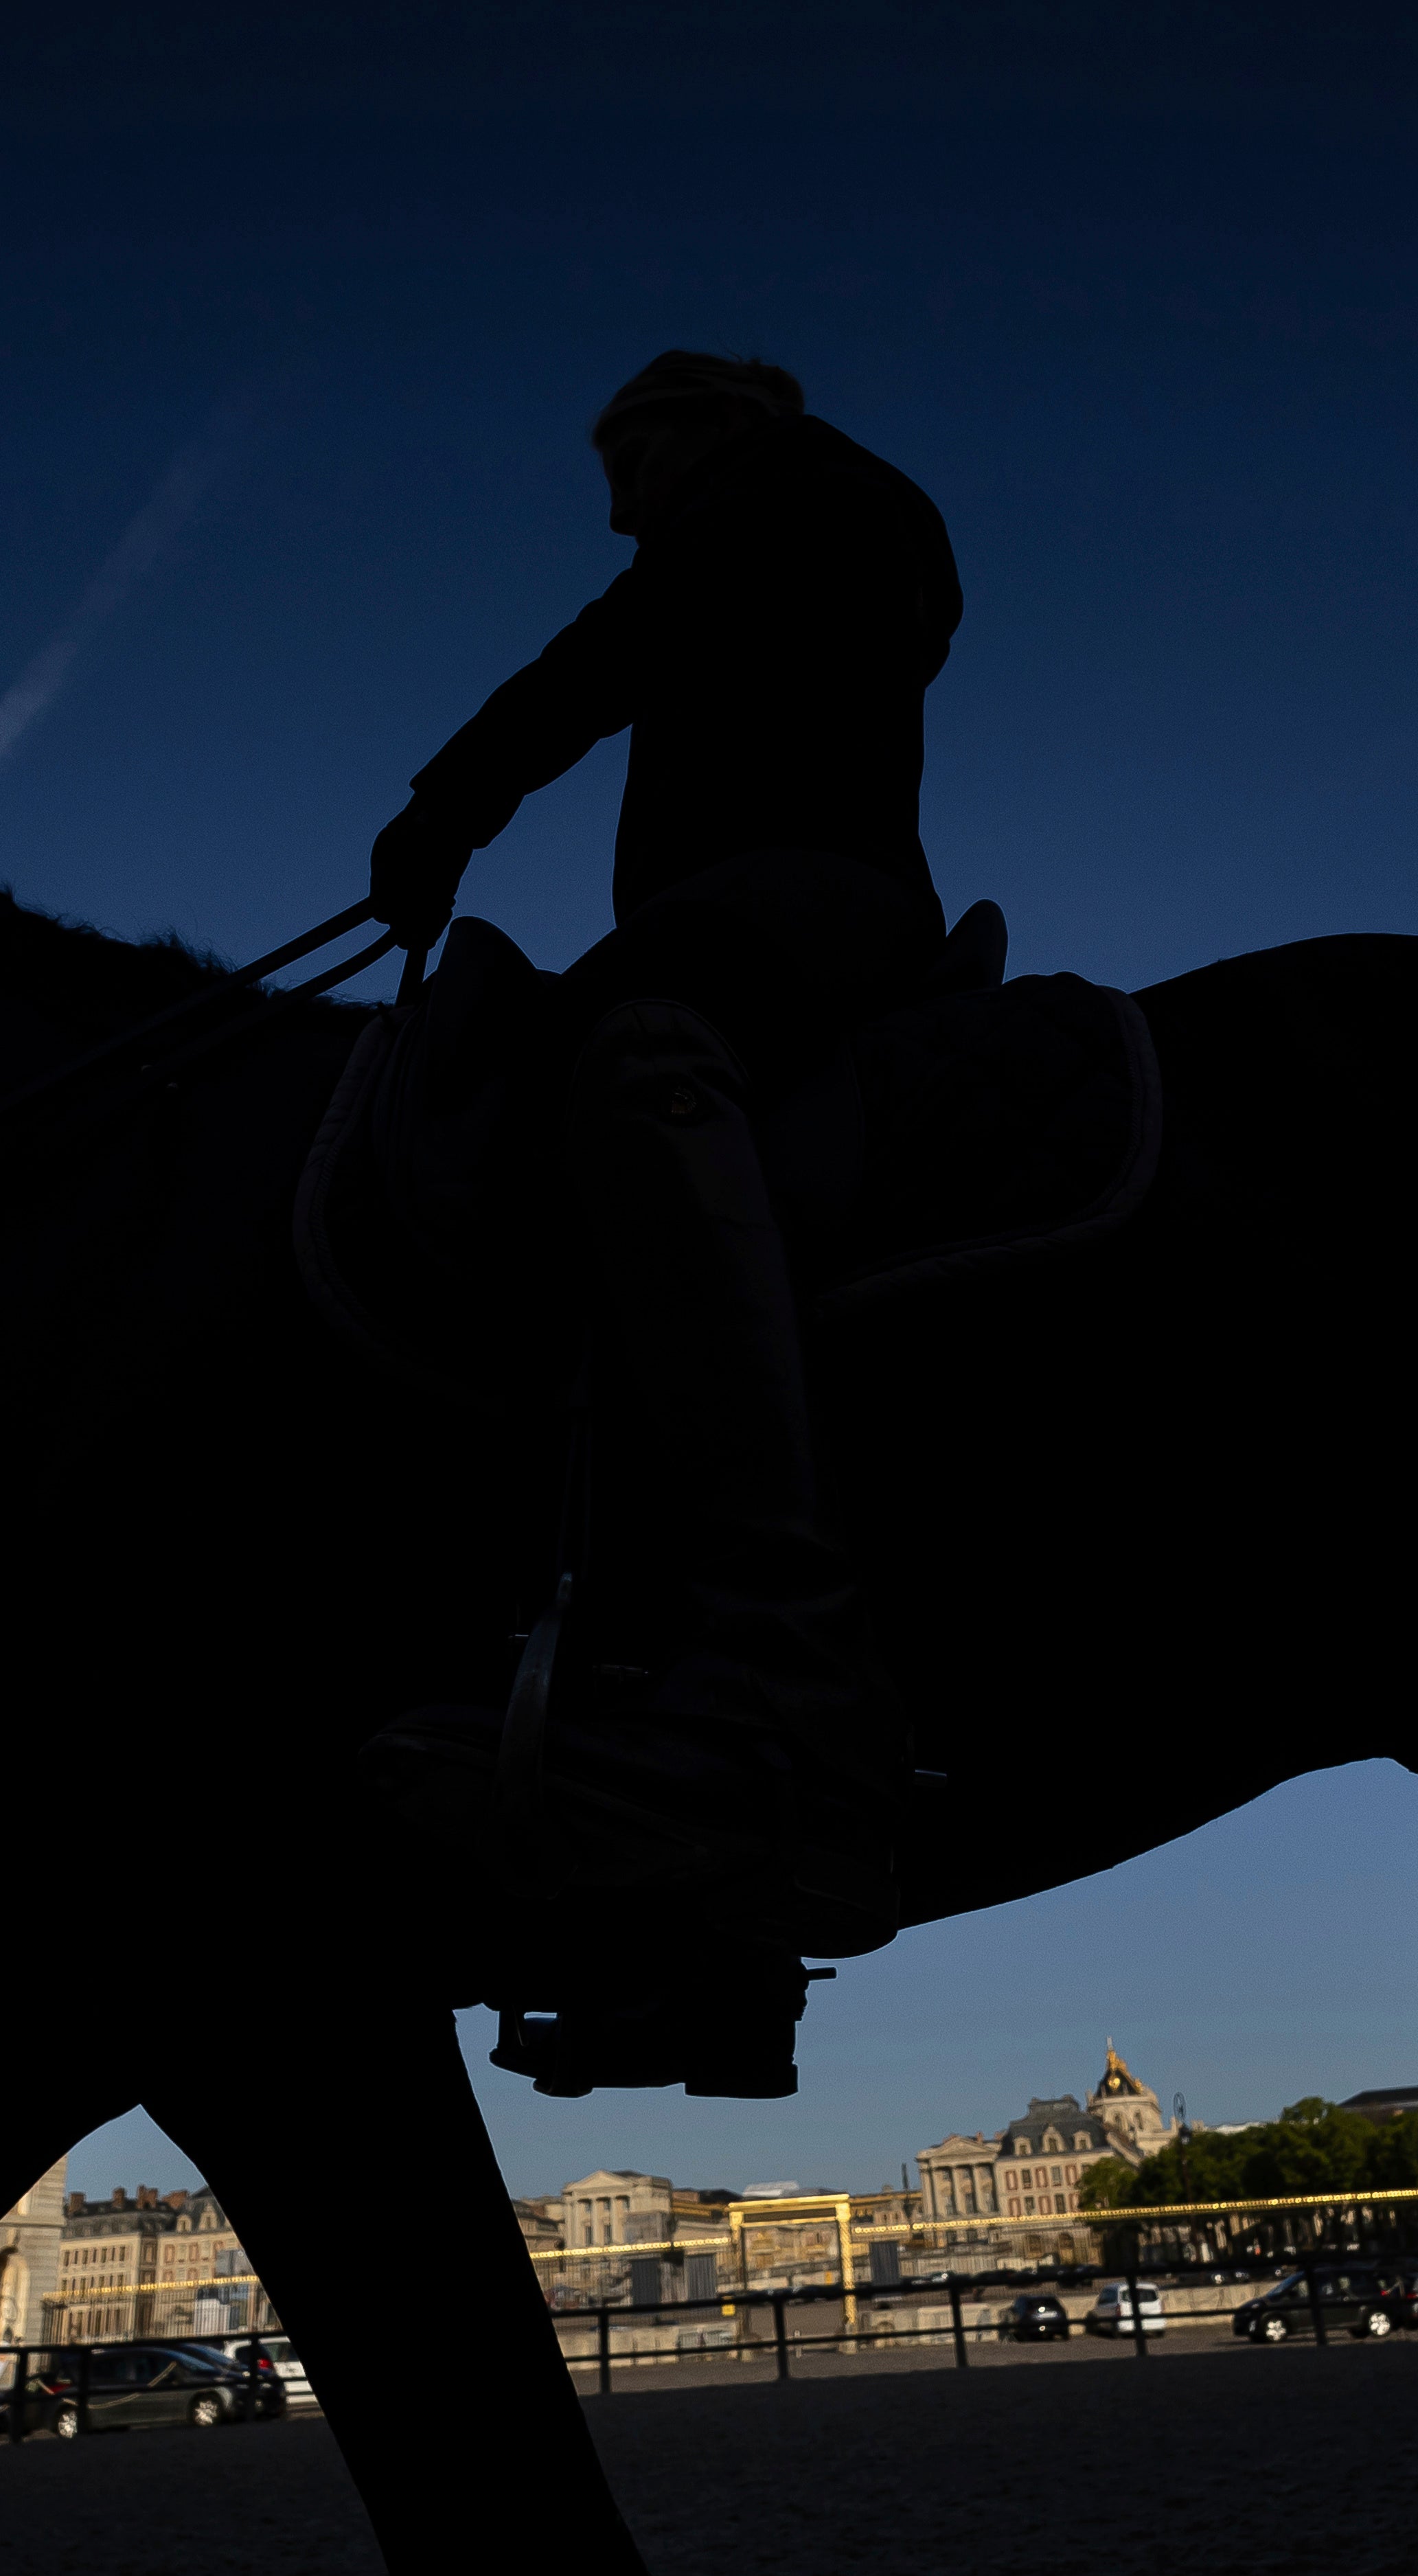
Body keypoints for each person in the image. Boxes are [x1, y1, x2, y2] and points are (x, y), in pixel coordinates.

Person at [359, 350, 963, 1957]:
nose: (621, 509)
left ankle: (784, 1648)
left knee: (629, 1066)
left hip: (800, 900)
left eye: (632, 462)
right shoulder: (781, 520)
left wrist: (450, 802)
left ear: (722, 428)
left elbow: (605, 652)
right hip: (745, 907)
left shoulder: (808, 497)